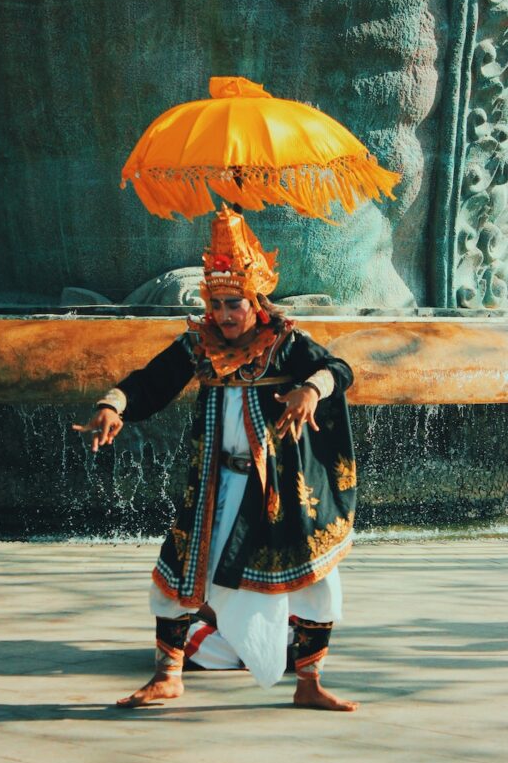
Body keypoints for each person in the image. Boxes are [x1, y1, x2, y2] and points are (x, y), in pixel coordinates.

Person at [73, 206, 358, 711]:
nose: (225, 315)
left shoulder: (286, 343)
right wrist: (112, 404)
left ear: (256, 302)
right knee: (177, 576)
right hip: (214, 485)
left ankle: (310, 683)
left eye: (235, 304)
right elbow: (151, 381)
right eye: (218, 304)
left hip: (277, 490)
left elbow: (339, 368)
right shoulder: (197, 345)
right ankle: (168, 676)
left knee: (315, 583)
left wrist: (311, 390)